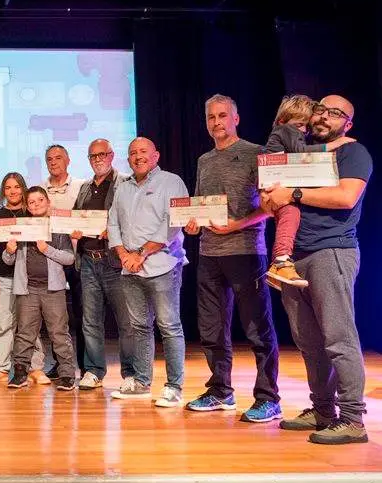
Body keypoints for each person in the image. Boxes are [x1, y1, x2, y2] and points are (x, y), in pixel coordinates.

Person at [263, 95, 371, 445]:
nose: (325, 117)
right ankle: (323, 410)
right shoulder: (303, 150)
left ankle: (353, 418)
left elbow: (345, 197)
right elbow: (272, 198)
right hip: (294, 259)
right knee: (309, 342)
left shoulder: (353, 152)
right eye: (321, 110)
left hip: (332, 251)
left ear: (348, 122)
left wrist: (292, 193)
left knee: (339, 339)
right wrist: (271, 196)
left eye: (336, 113)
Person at [182, 95, 280, 422]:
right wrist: (194, 222)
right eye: (211, 117)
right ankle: (219, 391)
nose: (216, 122)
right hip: (209, 254)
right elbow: (200, 203)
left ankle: (269, 397)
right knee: (211, 329)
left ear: (236, 118)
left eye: (222, 116)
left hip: (246, 252)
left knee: (257, 329)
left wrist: (237, 224)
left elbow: (270, 206)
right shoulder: (204, 159)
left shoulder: (256, 153)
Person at [107, 137, 188, 408]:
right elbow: (113, 223)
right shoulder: (123, 187)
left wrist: (141, 253)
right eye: (132, 153)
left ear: (156, 156)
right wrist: (123, 255)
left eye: (143, 152)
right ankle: (141, 382)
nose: (138, 157)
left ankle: (174, 386)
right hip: (130, 269)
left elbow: (173, 223)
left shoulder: (171, 181)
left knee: (169, 326)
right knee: (139, 327)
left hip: (163, 265)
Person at [263, 95, 355, 288]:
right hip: (275, 181)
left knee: (290, 217)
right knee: (290, 215)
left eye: (305, 125)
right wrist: (332, 145)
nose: (303, 130)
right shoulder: (286, 130)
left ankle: (279, 265)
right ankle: (280, 261)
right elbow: (301, 152)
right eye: (299, 125)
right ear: (282, 121)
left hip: (279, 182)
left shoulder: (286, 131)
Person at [69, 139, 134, 391]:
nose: (97, 159)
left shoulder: (125, 183)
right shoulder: (85, 187)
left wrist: (114, 232)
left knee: (125, 321)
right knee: (90, 320)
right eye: (93, 156)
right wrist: (73, 230)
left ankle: (130, 373)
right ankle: (94, 370)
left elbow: (130, 218)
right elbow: (78, 216)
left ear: (111, 155)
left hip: (114, 261)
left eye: (102, 155)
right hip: (88, 260)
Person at [3, 187, 76, 389]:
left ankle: (67, 374)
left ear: (48, 202)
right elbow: (8, 260)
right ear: (27, 205)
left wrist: (47, 249)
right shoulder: (22, 227)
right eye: (32, 202)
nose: (36, 205)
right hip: (27, 290)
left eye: (40, 200)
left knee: (59, 333)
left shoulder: (58, 228)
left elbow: (69, 258)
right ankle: (20, 373)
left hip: (53, 290)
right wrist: (9, 251)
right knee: (25, 333)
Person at [0, 172, 43, 383]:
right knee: (2, 324)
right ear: (3, 191)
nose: (13, 191)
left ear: (24, 188)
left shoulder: (34, 214)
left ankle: (35, 368)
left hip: (30, 279)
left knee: (30, 325)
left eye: (17, 187)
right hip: (2, 276)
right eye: (8, 188)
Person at [40, 144, 85, 377]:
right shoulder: (39, 189)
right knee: (56, 319)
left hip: (77, 258)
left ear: (68, 160)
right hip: (50, 260)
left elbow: (89, 219)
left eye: (58, 158)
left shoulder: (81, 187)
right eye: (49, 159)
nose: (53, 162)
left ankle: (86, 367)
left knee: (83, 314)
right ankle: (62, 364)